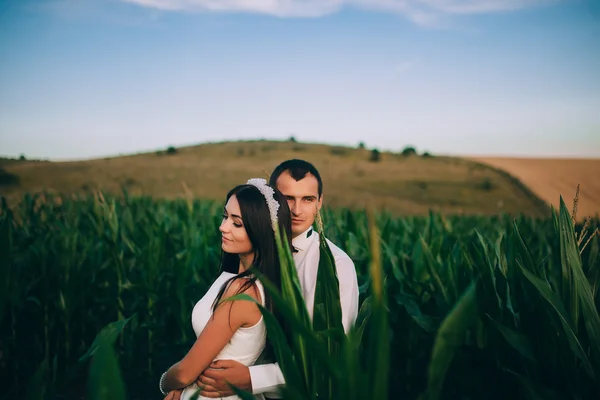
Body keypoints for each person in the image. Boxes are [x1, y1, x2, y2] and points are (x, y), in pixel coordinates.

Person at [191, 159, 360, 399]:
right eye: (288, 198)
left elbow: (332, 351)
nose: (297, 210)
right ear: (271, 200)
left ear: (320, 202)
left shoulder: (334, 266)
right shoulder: (246, 249)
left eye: (308, 199)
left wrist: (252, 379)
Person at [160, 178, 294, 400]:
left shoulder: (242, 290)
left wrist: (166, 383)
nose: (223, 227)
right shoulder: (247, 281)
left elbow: (185, 373)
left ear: (259, 231)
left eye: (237, 223)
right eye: (225, 216)